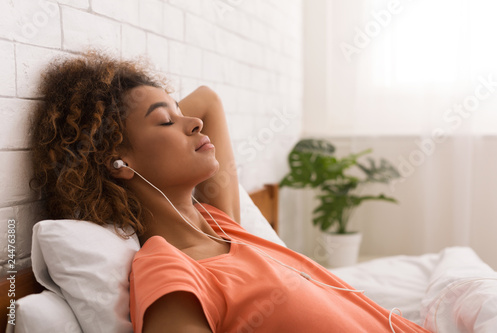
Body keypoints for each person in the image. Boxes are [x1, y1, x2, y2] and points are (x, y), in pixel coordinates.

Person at [30, 52, 430, 333]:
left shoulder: (219, 224)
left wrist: (155, 120)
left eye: (180, 114)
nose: (194, 123)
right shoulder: (170, 271)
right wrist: (102, 147)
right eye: (166, 121)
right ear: (119, 163)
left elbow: (208, 100)